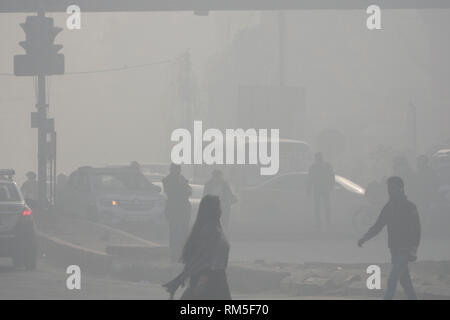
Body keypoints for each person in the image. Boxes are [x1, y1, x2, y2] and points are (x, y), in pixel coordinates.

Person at [358, 176, 421, 300]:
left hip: (405, 249)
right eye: (389, 188)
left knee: (392, 280)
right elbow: (378, 225)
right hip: (394, 249)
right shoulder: (389, 207)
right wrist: (365, 237)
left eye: (393, 187)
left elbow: (416, 229)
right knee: (406, 283)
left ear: (401, 188)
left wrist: (414, 248)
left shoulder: (409, 206)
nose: (390, 190)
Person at [162, 195, 231, 300]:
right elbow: (205, 261)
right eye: (219, 207)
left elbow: (196, 260)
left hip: (214, 280)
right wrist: (201, 282)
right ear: (213, 210)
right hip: (211, 282)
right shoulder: (211, 231)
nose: (221, 210)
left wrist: (180, 279)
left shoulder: (209, 229)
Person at [163, 163, 192, 263]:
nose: (178, 171)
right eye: (176, 169)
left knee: (184, 232)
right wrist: (184, 189)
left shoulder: (182, 179)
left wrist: (185, 189)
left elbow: (188, 191)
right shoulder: (168, 180)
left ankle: (184, 254)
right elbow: (174, 192)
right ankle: (174, 255)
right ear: (172, 170)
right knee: (175, 233)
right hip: (174, 209)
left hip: (184, 209)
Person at [307, 152, 335, 227]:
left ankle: (321, 221)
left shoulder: (314, 167)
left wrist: (309, 189)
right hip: (322, 188)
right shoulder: (325, 166)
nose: (317, 159)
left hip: (320, 188)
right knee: (322, 206)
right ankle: (323, 221)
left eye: (318, 157)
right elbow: (332, 176)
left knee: (321, 206)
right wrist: (331, 185)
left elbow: (310, 179)